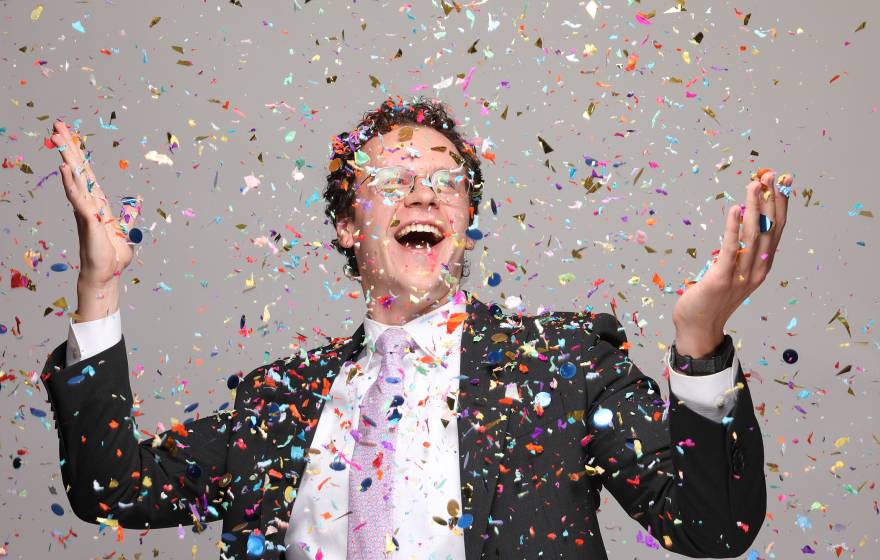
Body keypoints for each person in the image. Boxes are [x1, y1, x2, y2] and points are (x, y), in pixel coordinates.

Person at [40, 95, 794, 560]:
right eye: (393, 184)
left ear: (465, 218)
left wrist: (700, 345)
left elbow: (711, 528)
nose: (423, 197)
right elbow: (112, 487)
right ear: (345, 224)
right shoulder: (281, 402)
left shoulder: (563, 362)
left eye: (444, 183)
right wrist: (98, 288)